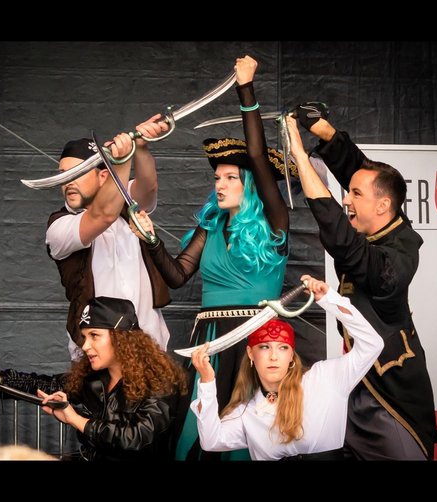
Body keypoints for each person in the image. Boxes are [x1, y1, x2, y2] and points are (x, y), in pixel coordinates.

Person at [131, 55, 291, 460]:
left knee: (253, 435)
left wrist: (246, 87)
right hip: (210, 342)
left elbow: (257, 154)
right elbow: (177, 275)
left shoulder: (274, 224)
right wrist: (151, 240)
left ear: (250, 184)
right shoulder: (210, 226)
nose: (219, 184)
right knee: (200, 437)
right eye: (217, 177)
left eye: (230, 177)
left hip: (257, 341)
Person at [284, 106, 437, 459]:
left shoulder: (393, 262)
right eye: (347, 192)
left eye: (354, 195)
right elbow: (367, 173)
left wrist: (300, 158)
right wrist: (325, 132)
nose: (346, 199)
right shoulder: (390, 219)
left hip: (390, 399)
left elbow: (343, 240)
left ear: (383, 206)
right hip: (354, 386)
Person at [0, 296, 188, 461]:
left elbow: (137, 436)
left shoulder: (159, 382)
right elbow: (42, 384)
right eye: (84, 337)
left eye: (94, 336)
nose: (85, 345)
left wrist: (75, 419)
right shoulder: (92, 379)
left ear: (122, 339)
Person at [190, 275, 384, 460]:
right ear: (250, 354)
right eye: (264, 347)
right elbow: (211, 441)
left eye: (282, 348)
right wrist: (207, 382)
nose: (273, 356)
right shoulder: (246, 411)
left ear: (291, 355)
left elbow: (372, 345)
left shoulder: (325, 379)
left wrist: (330, 299)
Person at [46, 115, 172, 360]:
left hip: (149, 348)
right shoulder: (59, 227)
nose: (67, 181)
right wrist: (121, 163)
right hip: (95, 356)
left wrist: (141, 147)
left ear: (103, 177)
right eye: (63, 174)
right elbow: (103, 214)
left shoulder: (127, 207)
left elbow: (147, 188)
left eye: (77, 173)